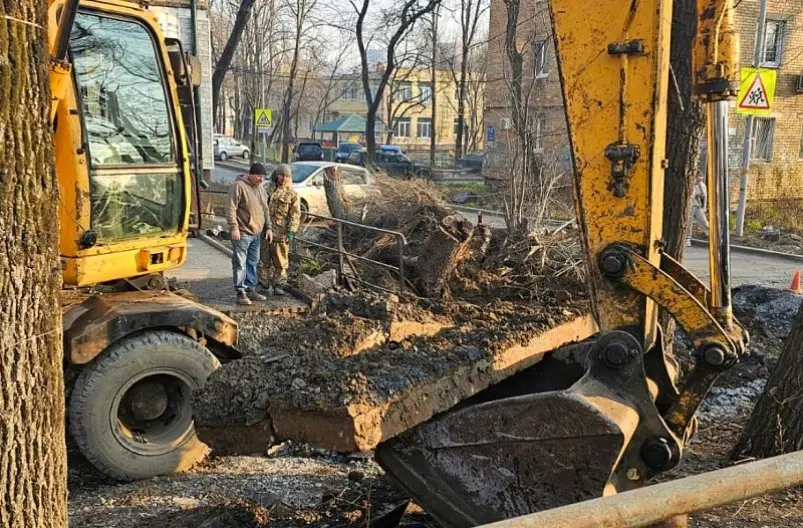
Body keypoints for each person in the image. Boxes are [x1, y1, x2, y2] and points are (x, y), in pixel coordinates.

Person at [226, 162, 273, 305]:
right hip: (242, 232)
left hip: (256, 233)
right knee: (240, 263)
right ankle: (240, 292)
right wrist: (234, 227)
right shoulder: (238, 186)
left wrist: (269, 227)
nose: (261, 179)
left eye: (263, 176)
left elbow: (265, 209)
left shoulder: (261, 189)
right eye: (259, 176)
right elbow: (231, 208)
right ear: (251, 174)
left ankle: (250, 288)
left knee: (253, 261)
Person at [261, 163, 301, 295]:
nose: (284, 178)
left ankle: (279, 285)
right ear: (276, 175)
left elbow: (295, 214)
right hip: (265, 231)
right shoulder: (267, 188)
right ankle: (263, 285)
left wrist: (291, 232)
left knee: (281, 262)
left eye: (287, 176)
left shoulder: (292, 194)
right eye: (281, 175)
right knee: (263, 261)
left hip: (281, 233)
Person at [687, 172, 709, 246]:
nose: (700, 178)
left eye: (701, 176)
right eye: (698, 176)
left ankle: (709, 234)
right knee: (689, 222)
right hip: (691, 205)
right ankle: (687, 239)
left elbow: (704, 196)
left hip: (698, 206)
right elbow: (691, 195)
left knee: (703, 220)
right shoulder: (691, 184)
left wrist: (704, 207)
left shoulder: (702, 185)